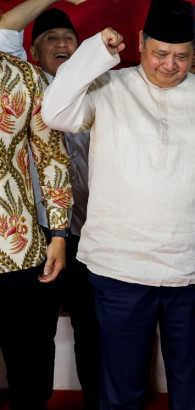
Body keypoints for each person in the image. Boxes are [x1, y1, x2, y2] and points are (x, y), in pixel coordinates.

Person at [41, 0, 195, 410]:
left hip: (191, 265)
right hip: (121, 266)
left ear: (194, 54)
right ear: (140, 42)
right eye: (160, 54)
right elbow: (55, 111)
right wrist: (94, 53)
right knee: (122, 384)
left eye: (181, 56)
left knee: (192, 382)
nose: (170, 65)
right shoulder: (108, 87)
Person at [0, 0, 101, 409]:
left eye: (68, 38)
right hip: (40, 235)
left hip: (32, 242)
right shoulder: (24, 71)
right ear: (34, 48)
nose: (61, 44)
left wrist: (57, 232)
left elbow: (50, 158)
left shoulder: (19, 77)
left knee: (33, 359)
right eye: (50, 39)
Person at [0, 51, 72, 409]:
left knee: (30, 369)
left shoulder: (27, 77)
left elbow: (52, 157)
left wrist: (59, 234)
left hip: (21, 247)